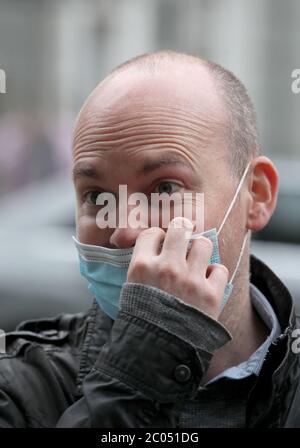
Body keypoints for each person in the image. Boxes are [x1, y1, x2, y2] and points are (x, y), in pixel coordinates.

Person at [0, 50, 299, 428]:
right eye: (95, 196)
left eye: (164, 189)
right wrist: (144, 366)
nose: (125, 229)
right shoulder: (18, 388)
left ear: (256, 196)